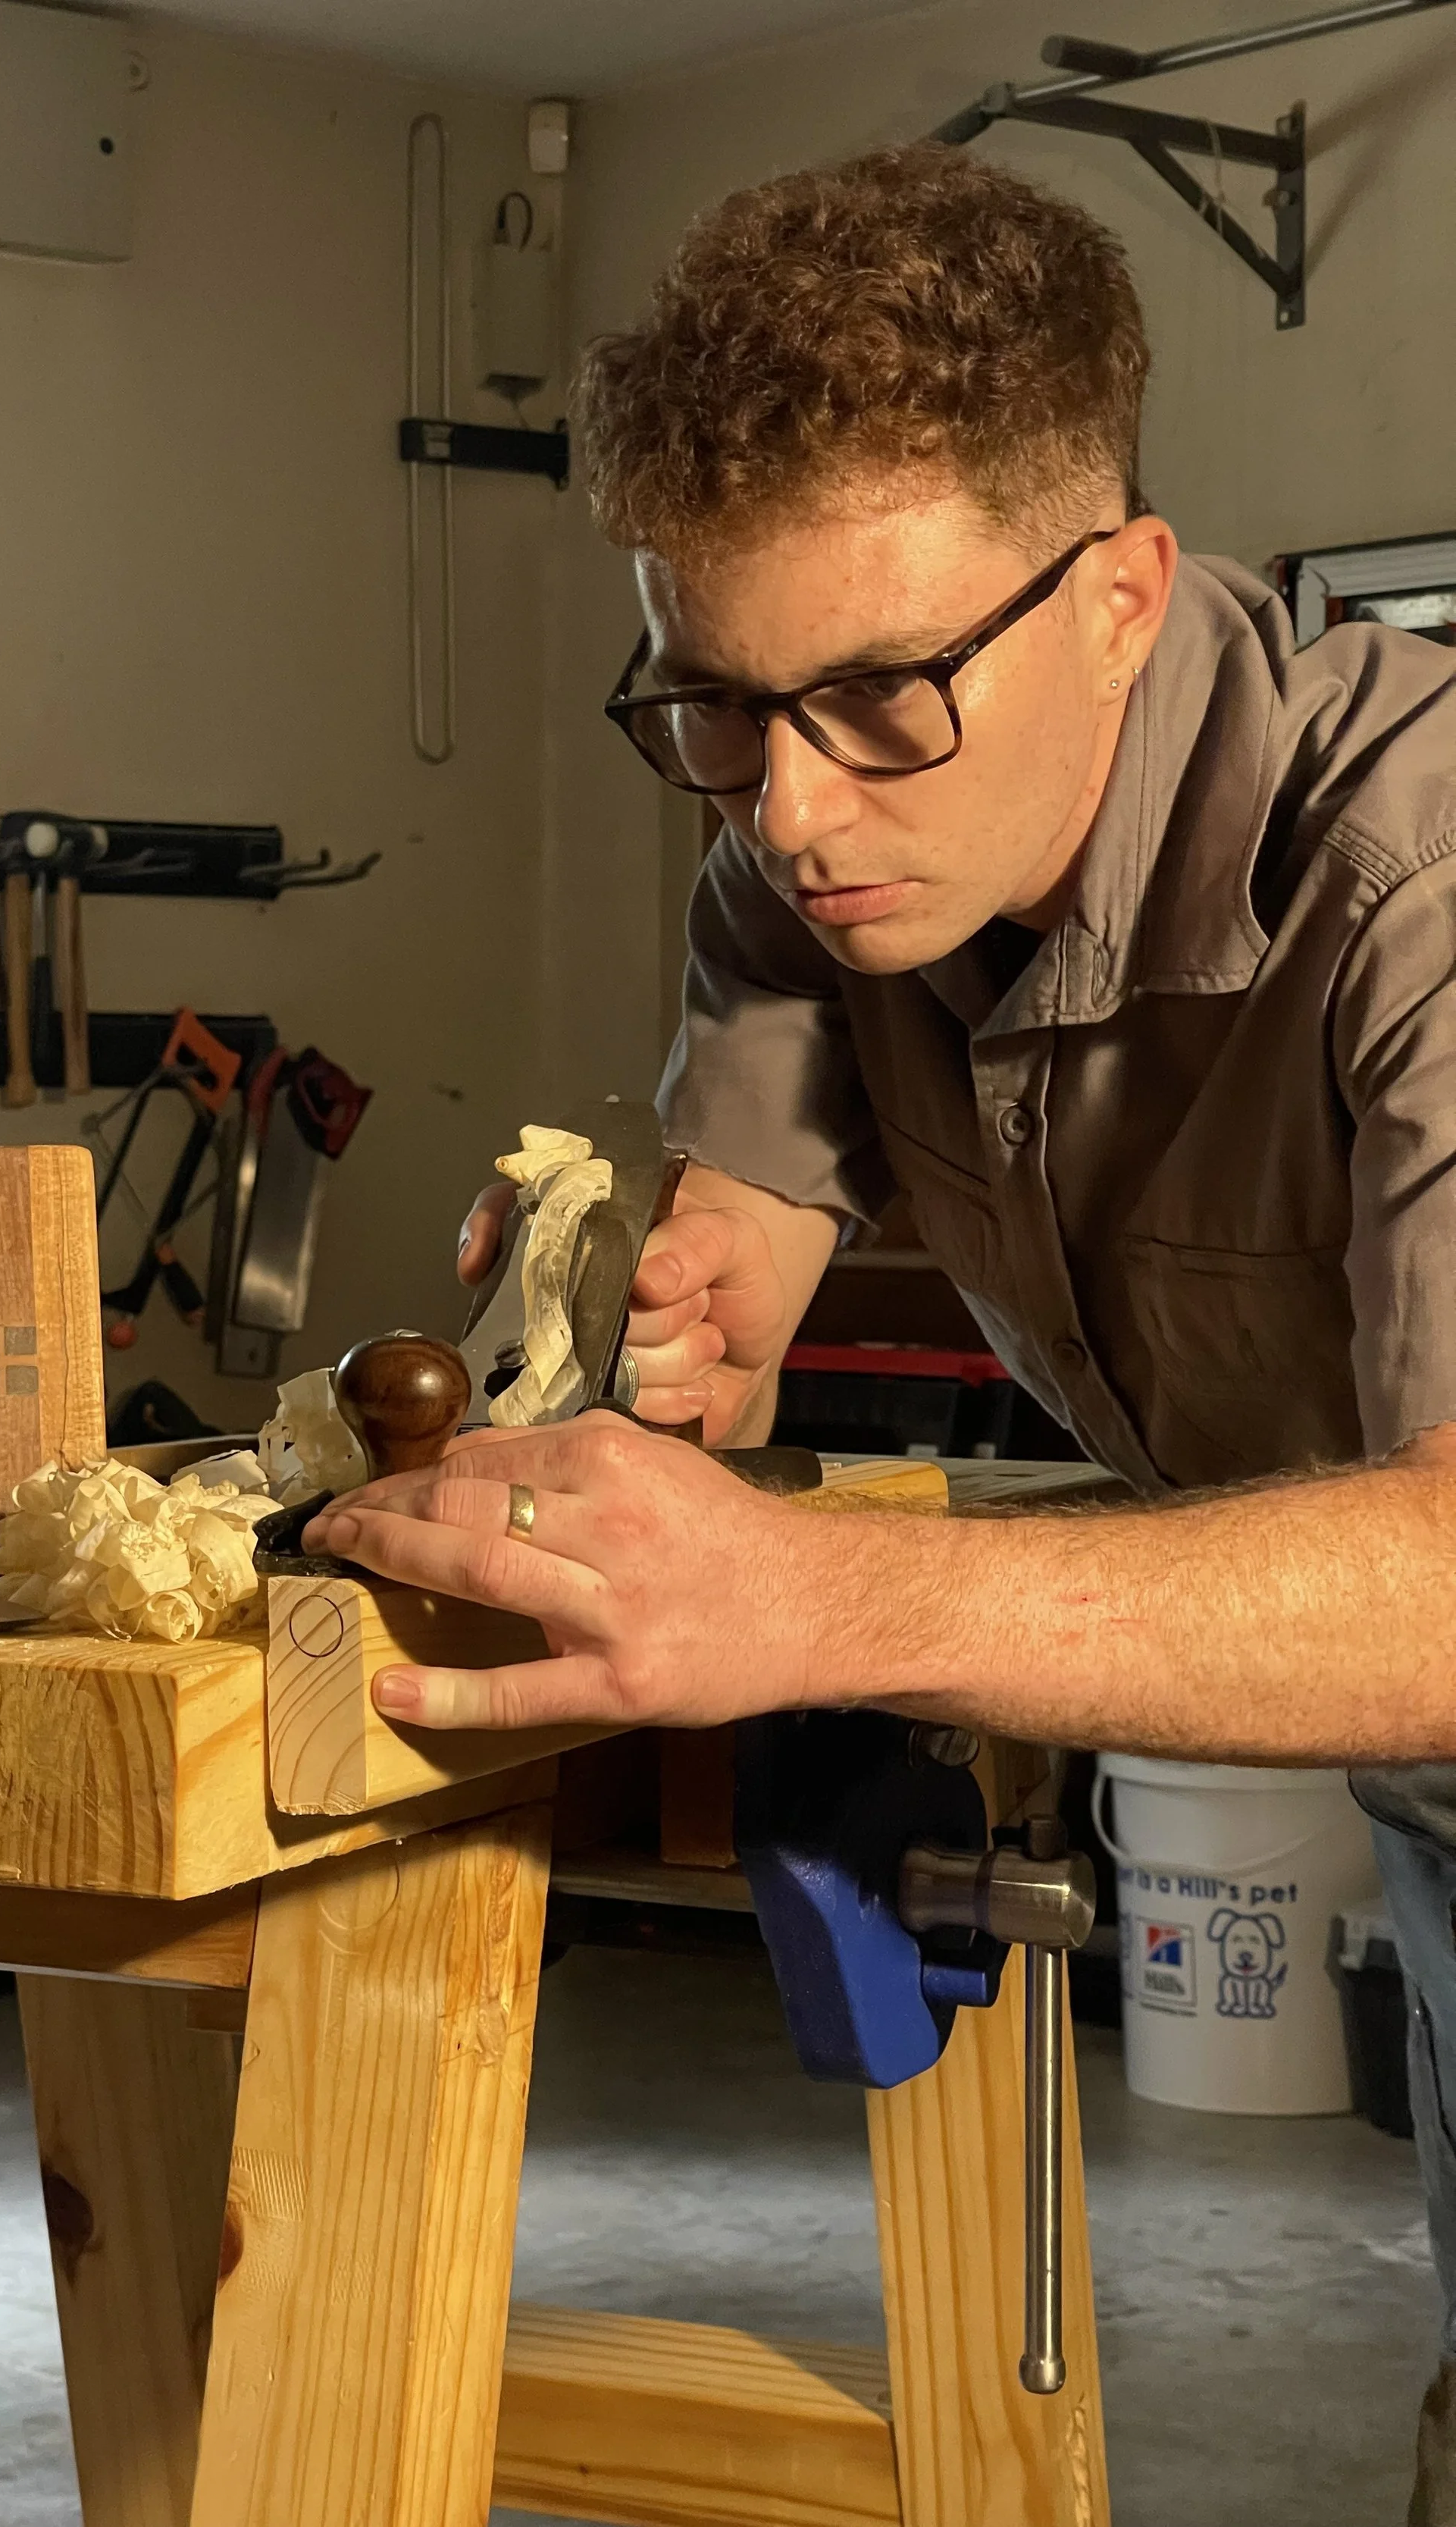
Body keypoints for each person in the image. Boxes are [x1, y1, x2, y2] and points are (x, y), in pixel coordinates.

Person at [303, 146, 1456, 2517]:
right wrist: (717, 1265)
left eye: (879, 694)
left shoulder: (1419, 882)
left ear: (1123, 596)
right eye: (719, 706)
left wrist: (817, 1599)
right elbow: (761, 1046)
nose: (794, 804)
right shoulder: (818, 855)